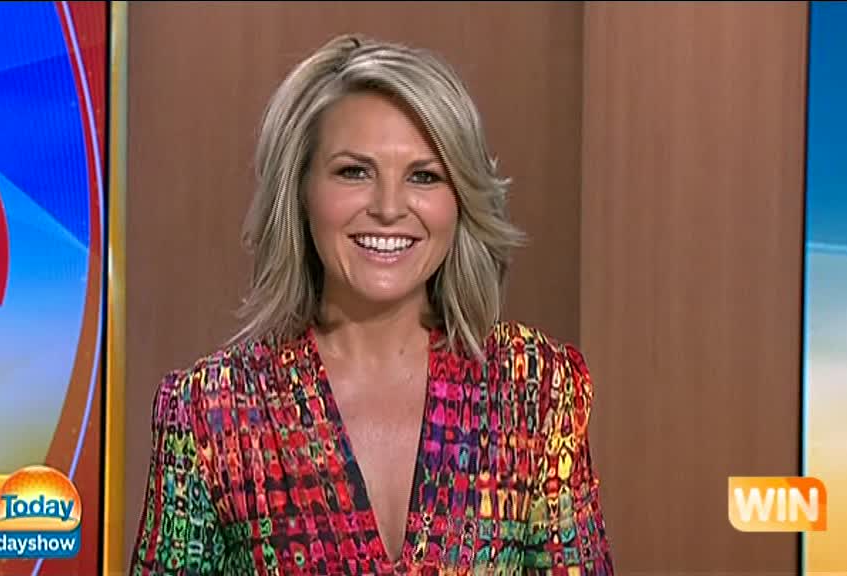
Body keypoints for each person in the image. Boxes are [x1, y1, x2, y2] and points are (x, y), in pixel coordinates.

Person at [130, 34, 613, 576]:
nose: (388, 208)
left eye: (424, 176)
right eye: (354, 172)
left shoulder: (535, 390)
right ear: (301, 191)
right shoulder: (210, 412)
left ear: (460, 199)